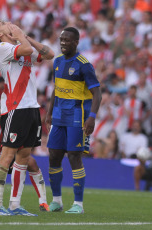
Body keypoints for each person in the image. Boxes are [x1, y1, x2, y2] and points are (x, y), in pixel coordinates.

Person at [0, 20, 54, 216]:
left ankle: (15, 205)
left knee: (23, 157)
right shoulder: (3, 47)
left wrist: (26, 37)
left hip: (32, 107)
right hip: (15, 108)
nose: (9, 23)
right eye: (3, 24)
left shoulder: (20, 44)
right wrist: (21, 36)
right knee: (7, 156)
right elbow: (26, 50)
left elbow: (49, 54)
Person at [45, 27, 102, 214]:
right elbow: (56, 88)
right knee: (54, 155)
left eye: (67, 40)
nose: (63, 43)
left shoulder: (84, 64)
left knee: (73, 156)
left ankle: (78, 204)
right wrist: (49, 111)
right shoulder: (58, 61)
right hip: (59, 115)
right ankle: (57, 201)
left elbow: (97, 93)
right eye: (61, 40)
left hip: (78, 115)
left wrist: (92, 117)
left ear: (76, 42)